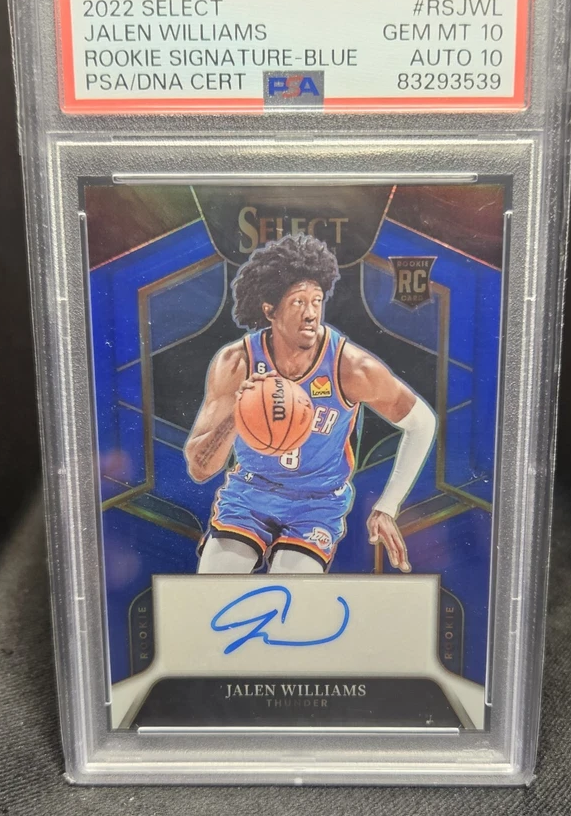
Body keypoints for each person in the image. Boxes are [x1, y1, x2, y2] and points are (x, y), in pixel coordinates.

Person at [184, 233, 436, 575]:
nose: (311, 313)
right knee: (213, 586)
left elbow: (422, 423)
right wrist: (236, 416)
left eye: (316, 301)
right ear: (270, 310)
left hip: (317, 502)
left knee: (293, 591)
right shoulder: (237, 362)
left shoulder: (351, 368)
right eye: (298, 302)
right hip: (250, 491)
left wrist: (388, 506)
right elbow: (200, 469)